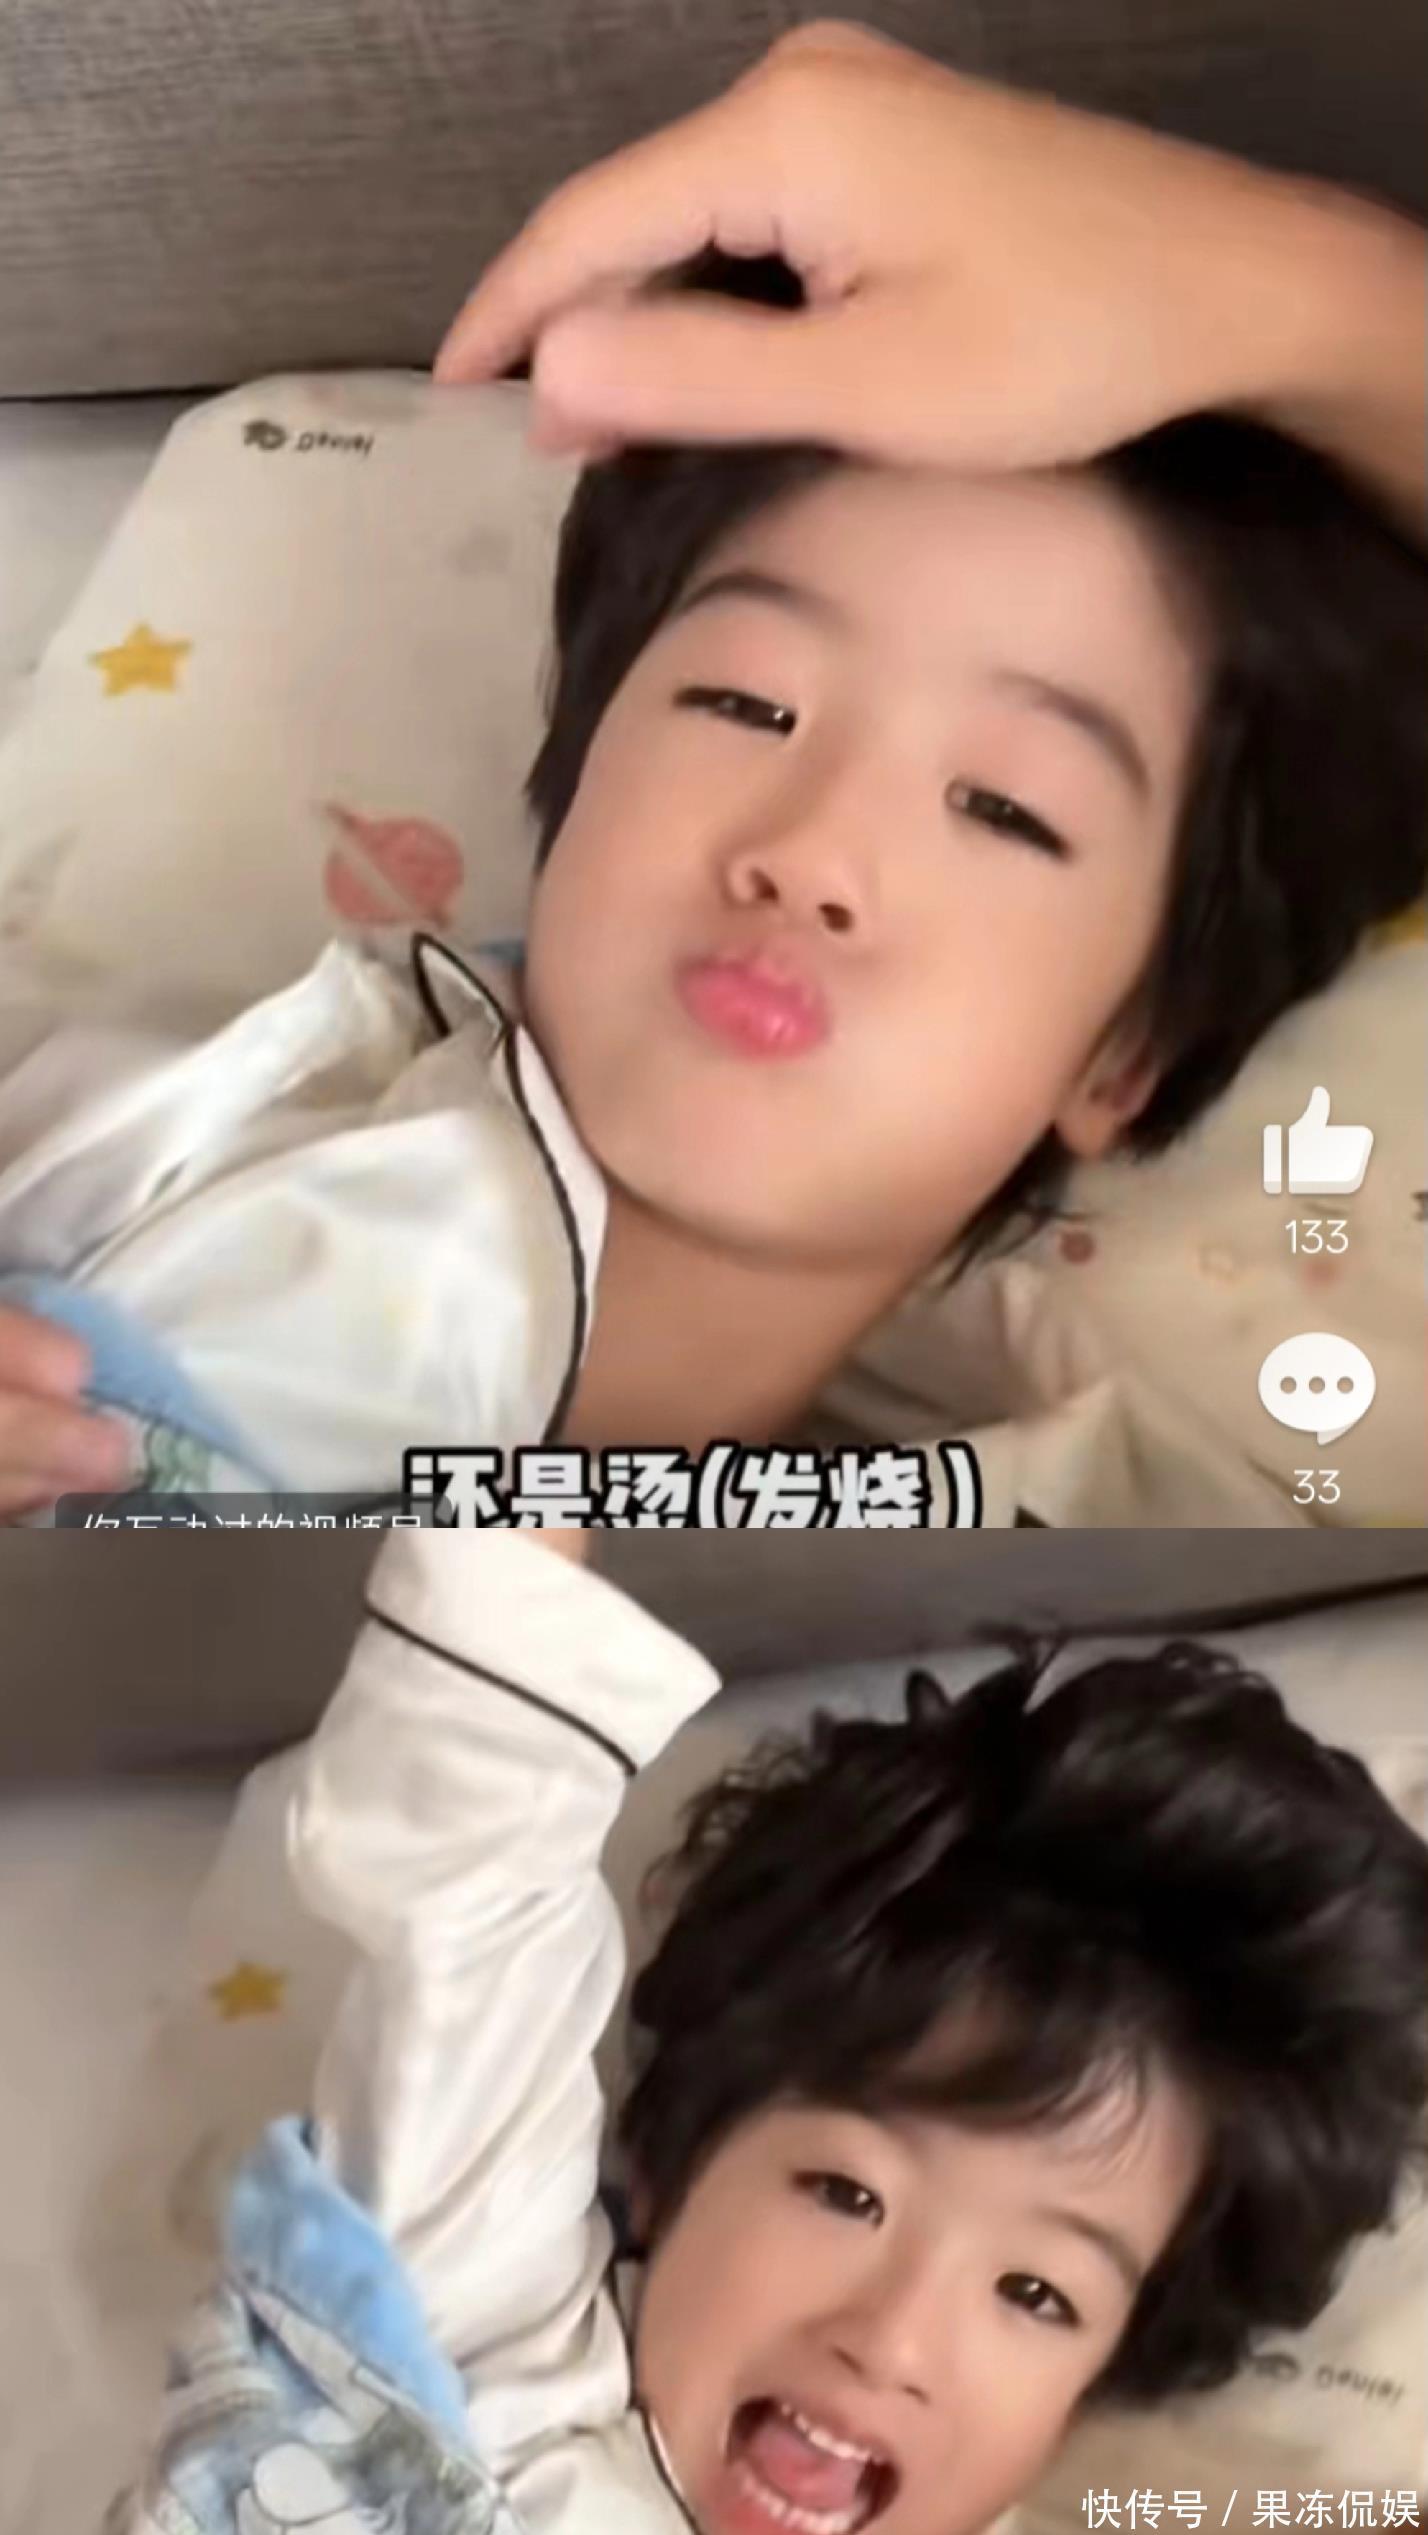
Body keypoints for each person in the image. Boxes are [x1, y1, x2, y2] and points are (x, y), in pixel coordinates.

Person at [1, 24, 1425, 1519]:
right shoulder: (135, 1148)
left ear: (1123, 1056)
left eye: (1004, 808)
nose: (807, 852)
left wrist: (1299, 296)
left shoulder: (1060, 1540)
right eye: (747, 703)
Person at [114, 1526, 1428, 2534]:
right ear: (668, 2165)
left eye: (1036, 2295)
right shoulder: (495, 2355)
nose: (891, 2341)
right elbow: (471, 1887)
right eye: (847, 2193)